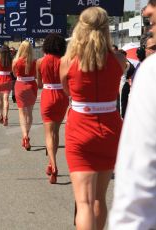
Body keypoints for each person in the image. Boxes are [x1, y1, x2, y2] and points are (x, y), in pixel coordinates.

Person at [59, 7, 125, 229]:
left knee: (84, 202)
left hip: (80, 128)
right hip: (111, 127)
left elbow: (67, 90)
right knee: (99, 198)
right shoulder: (118, 59)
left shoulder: (68, 61)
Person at [109, 1, 156, 228]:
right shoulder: (144, 72)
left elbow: (138, 181)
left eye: (153, 4)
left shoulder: (149, 72)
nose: (146, 11)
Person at [36, 33, 68, 184]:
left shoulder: (40, 62)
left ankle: (53, 165)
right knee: (56, 132)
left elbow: (39, 84)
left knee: (48, 134)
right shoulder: (64, 61)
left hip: (48, 95)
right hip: (61, 96)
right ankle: (51, 163)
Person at [12, 40, 37, 151]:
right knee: (30, 113)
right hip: (31, 85)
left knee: (22, 113)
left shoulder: (16, 61)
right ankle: (27, 133)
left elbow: (14, 74)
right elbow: (36, 75)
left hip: (20, 85)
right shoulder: (35, 62)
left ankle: (24, 136)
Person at [0, 45, 13, 126]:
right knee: (6, 100)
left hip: (0, 79)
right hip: (8, 79)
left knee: (0, 100)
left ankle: (1, 114)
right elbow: (12, 70)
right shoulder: (11, 60)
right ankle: (6, 116)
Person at [118, 49, 135, 119]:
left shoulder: (125, 63)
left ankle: (122, 117)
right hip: (126, 82)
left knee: (122, 102)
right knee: (124, 101)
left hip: (123, 83)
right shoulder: (129, 63)